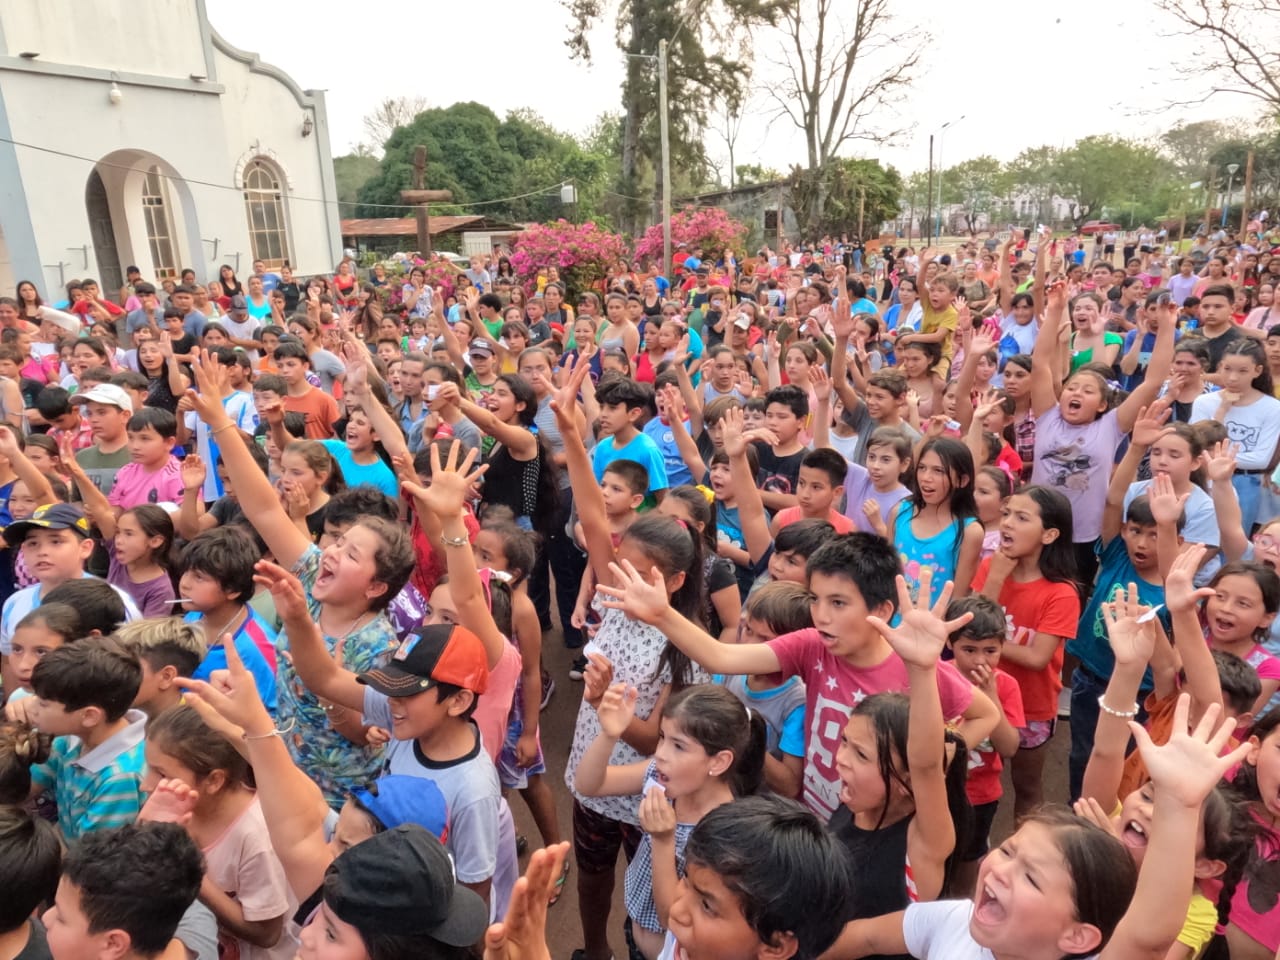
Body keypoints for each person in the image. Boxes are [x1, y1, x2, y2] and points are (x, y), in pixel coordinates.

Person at [833, 694, 1247, 960]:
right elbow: (865, 937)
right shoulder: (954, 920)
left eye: (1031, 878)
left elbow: (1149, 936)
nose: (1001, 869)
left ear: (1079, 938)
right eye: (1009, 851)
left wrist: (1178, 805)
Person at [186, 357, 410, 806]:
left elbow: (368, 734)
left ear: (375, 587)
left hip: (342, 797)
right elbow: (264, 509)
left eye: (351, 554)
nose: (331, 551)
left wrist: (330, 690)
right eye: (337, 541)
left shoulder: (377, 643)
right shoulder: (310, 576)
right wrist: (220, 425)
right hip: (287, 769)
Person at [574, 685, 766, 960]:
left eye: (678, 746)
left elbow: (672, 917)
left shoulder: (722, 834)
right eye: (662, 737)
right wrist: (609, 734)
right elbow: (590, 784)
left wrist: (664, 840)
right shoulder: (661, 774)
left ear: (719, 761)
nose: (661, 753)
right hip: (636, 926)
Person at [139, 706, 293, 960]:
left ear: (214, 780)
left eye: (161, 773)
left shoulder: (256, 838)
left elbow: (267, 935)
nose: (146, 784)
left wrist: (193, 874)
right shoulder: (174, 805)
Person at [971, 486, 1079, 818]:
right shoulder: (991, 568)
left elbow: (1037, 658)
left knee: (1027, 785)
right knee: (972, 779)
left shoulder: (1061, 593)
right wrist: (996, 579)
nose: (1007, 524)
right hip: (978, 694)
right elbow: (972, 627)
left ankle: (1024, 847)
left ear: (1049, 534)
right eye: (1006, 515)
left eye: (1021, 517)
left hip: (1032, 707)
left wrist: (992, 647)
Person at [28, 636, 147, 839]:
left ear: (90, 716)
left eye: (44, 703)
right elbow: (30, 785)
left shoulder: (119, 778)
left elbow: (95, 859)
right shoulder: (72, 736)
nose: (32, 708)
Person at [272, 341, 339, 440]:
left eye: (291, 364)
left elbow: (338, 436)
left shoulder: (324, 400)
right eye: (280, 366)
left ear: (305, 366)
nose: (285, 370)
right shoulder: (276, 401)